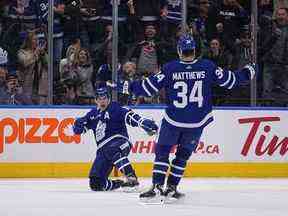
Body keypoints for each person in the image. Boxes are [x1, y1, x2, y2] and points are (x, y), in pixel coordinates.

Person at [118, 34, 256, 203]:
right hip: (197, 122)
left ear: (179, 50)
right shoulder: (207, 66)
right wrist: (249, 71)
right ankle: (171, 188)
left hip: (174, 120)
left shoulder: (170, 68)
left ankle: (157, 187)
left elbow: (147, 88)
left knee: (162, 153)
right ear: (195, 50)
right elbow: (231, 81)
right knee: (182, 156)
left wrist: (126, 86)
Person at [73, 85, 158, 192]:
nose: (102, 101)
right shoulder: (92, 114)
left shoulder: (115, 108)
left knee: (111, 150)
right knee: (95, 184)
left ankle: (131, 178)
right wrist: (77, 126)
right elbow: (79, 130)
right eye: (99, 99)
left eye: (104, 98)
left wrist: (142, 122)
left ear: (109, 99)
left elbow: (129, 116)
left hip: (120, 142)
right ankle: (118, 183)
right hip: (102, 151)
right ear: (96, 100)